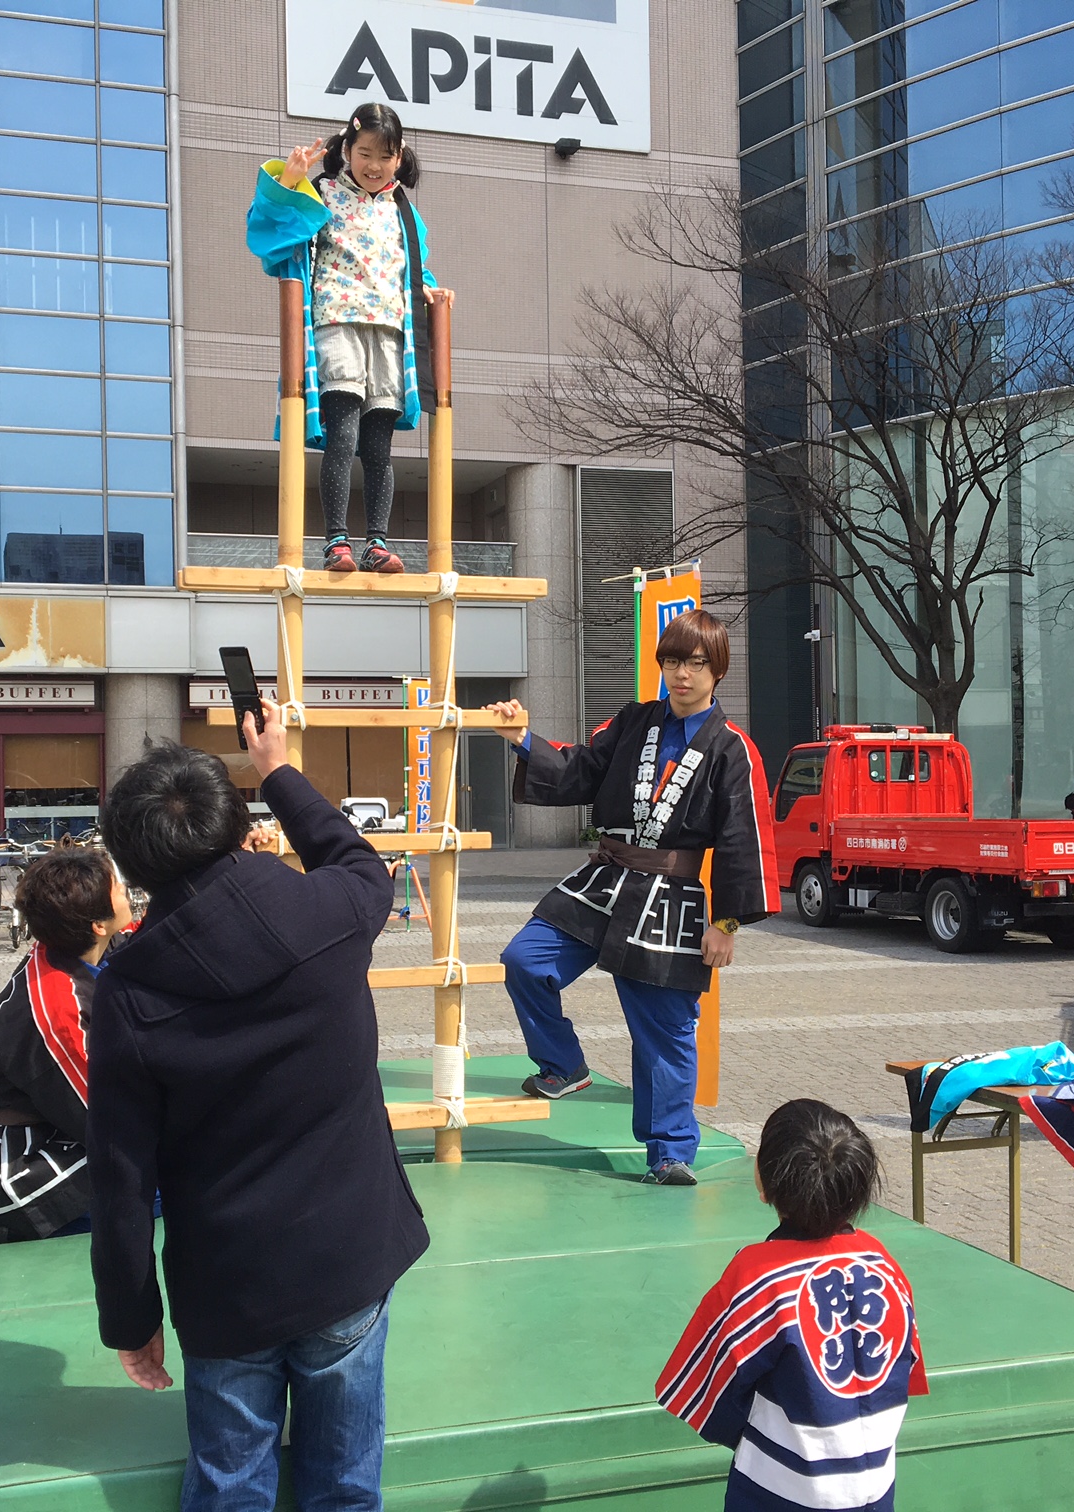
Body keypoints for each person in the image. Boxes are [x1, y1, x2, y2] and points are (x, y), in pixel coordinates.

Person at [88, 704, 428, 1510]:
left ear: (133, 866)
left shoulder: (129, 991)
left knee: (231, 1484)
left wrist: (131, 1317)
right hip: (347, 1256)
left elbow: (122, 1174)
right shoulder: (331, 911)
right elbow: (356, 857)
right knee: (345, 1487)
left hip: (228, 1283)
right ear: (239, 824)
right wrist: (275, 768)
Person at [485, 608, 781, 1186]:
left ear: (718, 670)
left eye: (696, 663)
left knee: (663, 1032)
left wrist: (726, 923)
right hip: (606, 876)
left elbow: (745, 837)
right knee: (524, 959)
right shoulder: (633, 720)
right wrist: (521, 738)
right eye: (672, 662)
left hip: (672, 896)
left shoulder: (734, 749)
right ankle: (563, 1065)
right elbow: (579, 768)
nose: (682, 674)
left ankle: (669, 1153)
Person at [656, 1100, 926, 1512]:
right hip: (876, 1490)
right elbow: (902, 1370)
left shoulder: (757, 1273)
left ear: (763, 1181)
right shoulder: (884, 1263)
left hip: (778, 1493)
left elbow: (701, 1392)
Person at [246, 102, 455, 576]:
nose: (374, 165)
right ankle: (336, 540)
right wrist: (289, 182)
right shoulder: (322, 193)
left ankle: (377, 542)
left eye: (385, 156)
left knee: (379, 445)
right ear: (346, 149)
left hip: (389, 333)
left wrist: (427, 287)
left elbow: (411, 264)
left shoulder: (402, 209)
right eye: (365, 153)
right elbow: (272, 232)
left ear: (399, 156)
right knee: (343, 435)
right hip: (337, 323)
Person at [0, 849, 134, 1240]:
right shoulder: (57, 1011)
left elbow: (159, 932)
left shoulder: (69, 947)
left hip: (55, 1130)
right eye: (118, 886)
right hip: (19, 1168)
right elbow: (106, 1120)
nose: (126, 888)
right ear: (98, 924)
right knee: (178, 1180)